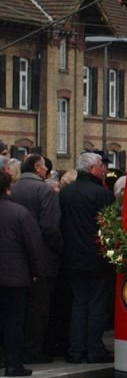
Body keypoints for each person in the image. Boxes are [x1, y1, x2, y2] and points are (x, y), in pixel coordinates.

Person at [59, 151, 115, 364]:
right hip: (97, 258)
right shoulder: (102, 195)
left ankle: (75, 349)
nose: (103, 170)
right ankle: (94, 349)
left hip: (72, 256)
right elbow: (110, 228)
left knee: (79, 304)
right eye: (101, 166)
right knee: (96, 305)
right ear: (92, 169)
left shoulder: (66, 194)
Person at [9, 154, 61, 363]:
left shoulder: (14, 189)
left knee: (17, 308)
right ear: (38, 168)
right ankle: (33, 349)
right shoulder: (44, 190)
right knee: (39, 307)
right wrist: (58, 249)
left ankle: (17, 348)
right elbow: (50, 226)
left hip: (16, 257)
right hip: (42, 256)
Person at [0, 171, 46, 377]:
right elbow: (34, 246)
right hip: (15, 277)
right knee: (14, 322)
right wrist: (37, 272)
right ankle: (13, 364)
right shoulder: (19, 213)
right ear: (8, 188)